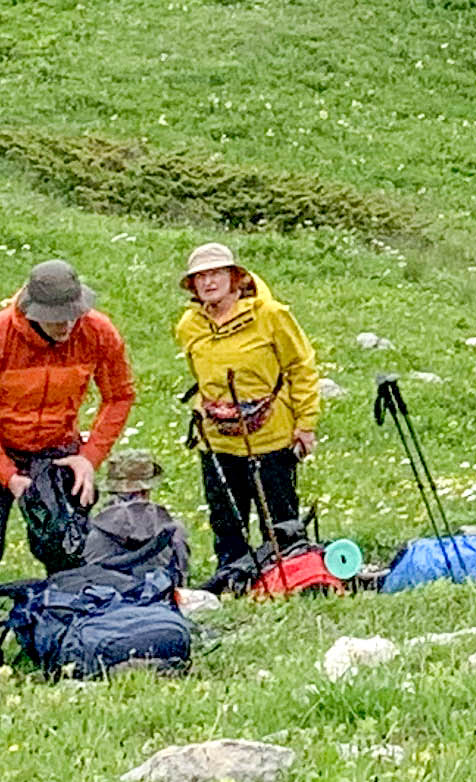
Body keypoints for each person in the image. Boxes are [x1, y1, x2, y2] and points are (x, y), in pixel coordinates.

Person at [0, 259, 134, 587]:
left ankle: (67, 625)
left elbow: (119, 396)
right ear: (33, 311)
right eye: (55, 318)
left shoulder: (98, 332)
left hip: (57, 448)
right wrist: (9, 477)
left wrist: (89, 458)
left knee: (64, 549)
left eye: (72, 314)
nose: (66, 325)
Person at [172, 241, 320, 577]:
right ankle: (233, 580)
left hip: (272, 437)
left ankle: (287, 579)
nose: (209, 282)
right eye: (200, 277)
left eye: (216, 274)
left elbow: (301, 366)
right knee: (226, 522)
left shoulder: (271, 316)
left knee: (280, 522)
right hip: (217, 440)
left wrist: (306, 423)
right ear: (193, 286)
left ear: (235, 278)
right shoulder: (188, 326)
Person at [86, 449, 196, 590]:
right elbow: (181, 577)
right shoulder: (173, 529)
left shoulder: (95, 532)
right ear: (146, 490)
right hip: (162, 596)